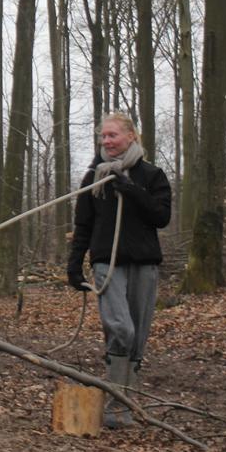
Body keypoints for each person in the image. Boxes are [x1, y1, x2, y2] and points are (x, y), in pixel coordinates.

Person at [66, 112, 172, 428]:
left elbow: (161, 217)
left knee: (137, 336)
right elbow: (83, 224)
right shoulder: (93, 178)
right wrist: (74, 265)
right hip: (107, 264)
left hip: (144, 264)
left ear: (131, 136)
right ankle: (116, 404)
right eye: (103, 137)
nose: (107, 142)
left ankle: (120, 407)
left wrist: (132, 190)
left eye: (113, 135)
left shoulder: (152, 175)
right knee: (120, 329)